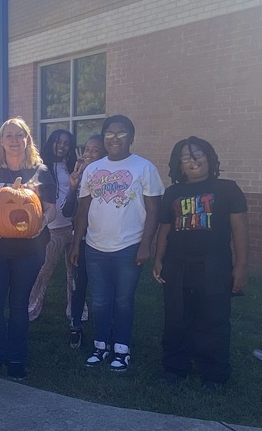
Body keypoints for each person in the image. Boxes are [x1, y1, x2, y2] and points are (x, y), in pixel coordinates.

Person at [153, 137, 249, 390]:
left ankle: (214, 373)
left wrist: (240, 267)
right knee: (176, 317)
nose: (193, 161)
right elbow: (165, 229)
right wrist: (159, 259)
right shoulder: (172, 193)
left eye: (197, 155)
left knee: (214, 319)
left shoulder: (228, 189)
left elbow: (239, 230)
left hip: (214, 264)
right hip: (176, 264)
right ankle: (175, 367)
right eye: (186, 158)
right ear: (179, 165)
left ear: (209, 156)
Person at [70, 115, 163, 372]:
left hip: (129, 246)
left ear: (131, 137)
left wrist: (146, 244)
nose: (115, 138)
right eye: (110, 133)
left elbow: (154, 210)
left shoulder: (144, 167)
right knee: (99, 300)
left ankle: (122, 349)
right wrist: (77, 243)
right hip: (95, 246)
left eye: (121, 133)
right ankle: (101, 346)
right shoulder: (93, 169)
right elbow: (83, 208)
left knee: (123, 300)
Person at [0, 117, 57, 380]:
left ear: (27, 139)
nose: (14, 140)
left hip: (29, 250)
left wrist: (41, 223)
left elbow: (51, 209)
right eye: (8, 135)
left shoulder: (41, 172)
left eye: (19, 135)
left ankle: (17, 358)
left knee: (19, 306)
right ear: (1, 141)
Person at [29, 129, 80, 322]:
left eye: (66, 143)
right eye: (58, 142)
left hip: (72, 225)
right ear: (51, 143)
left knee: (74, 271)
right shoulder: (40, 167)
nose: (62, 146)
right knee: (44, 269)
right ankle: (32, 304)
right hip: (52, 227)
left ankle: (75, 308)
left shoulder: (73, 166)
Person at [63, 134, 105, 349]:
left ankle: (106, 330)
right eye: (87, 149)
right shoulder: (80, 177)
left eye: (95, 150)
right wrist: (73, 186)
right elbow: (67, 210)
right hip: (81, 240)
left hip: (103, 242)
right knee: (78, 285)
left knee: (102, 289)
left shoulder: (107, 180)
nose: (88, 154)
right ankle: (75, 326)